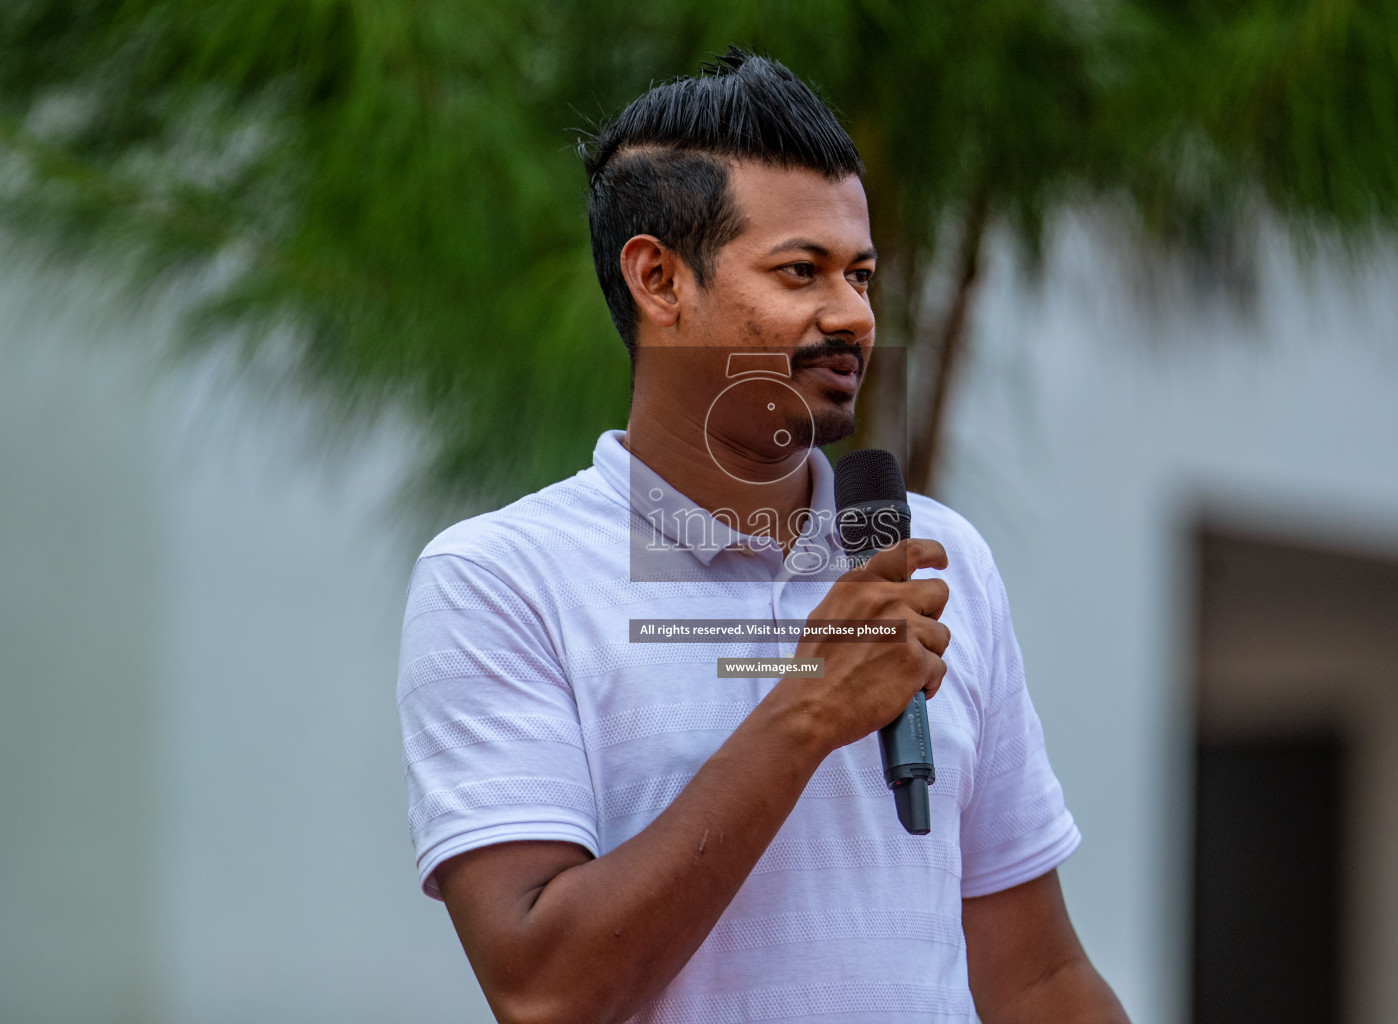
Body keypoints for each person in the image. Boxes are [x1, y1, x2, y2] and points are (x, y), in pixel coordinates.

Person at [397, 49, 1129, 1024]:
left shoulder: (930, 555)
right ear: (659, 279)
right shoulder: (503, 580)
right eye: (801, 272)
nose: (854, 316)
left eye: (861, 274)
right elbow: (545, 990)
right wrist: (810, 705)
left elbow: (1036, 977)